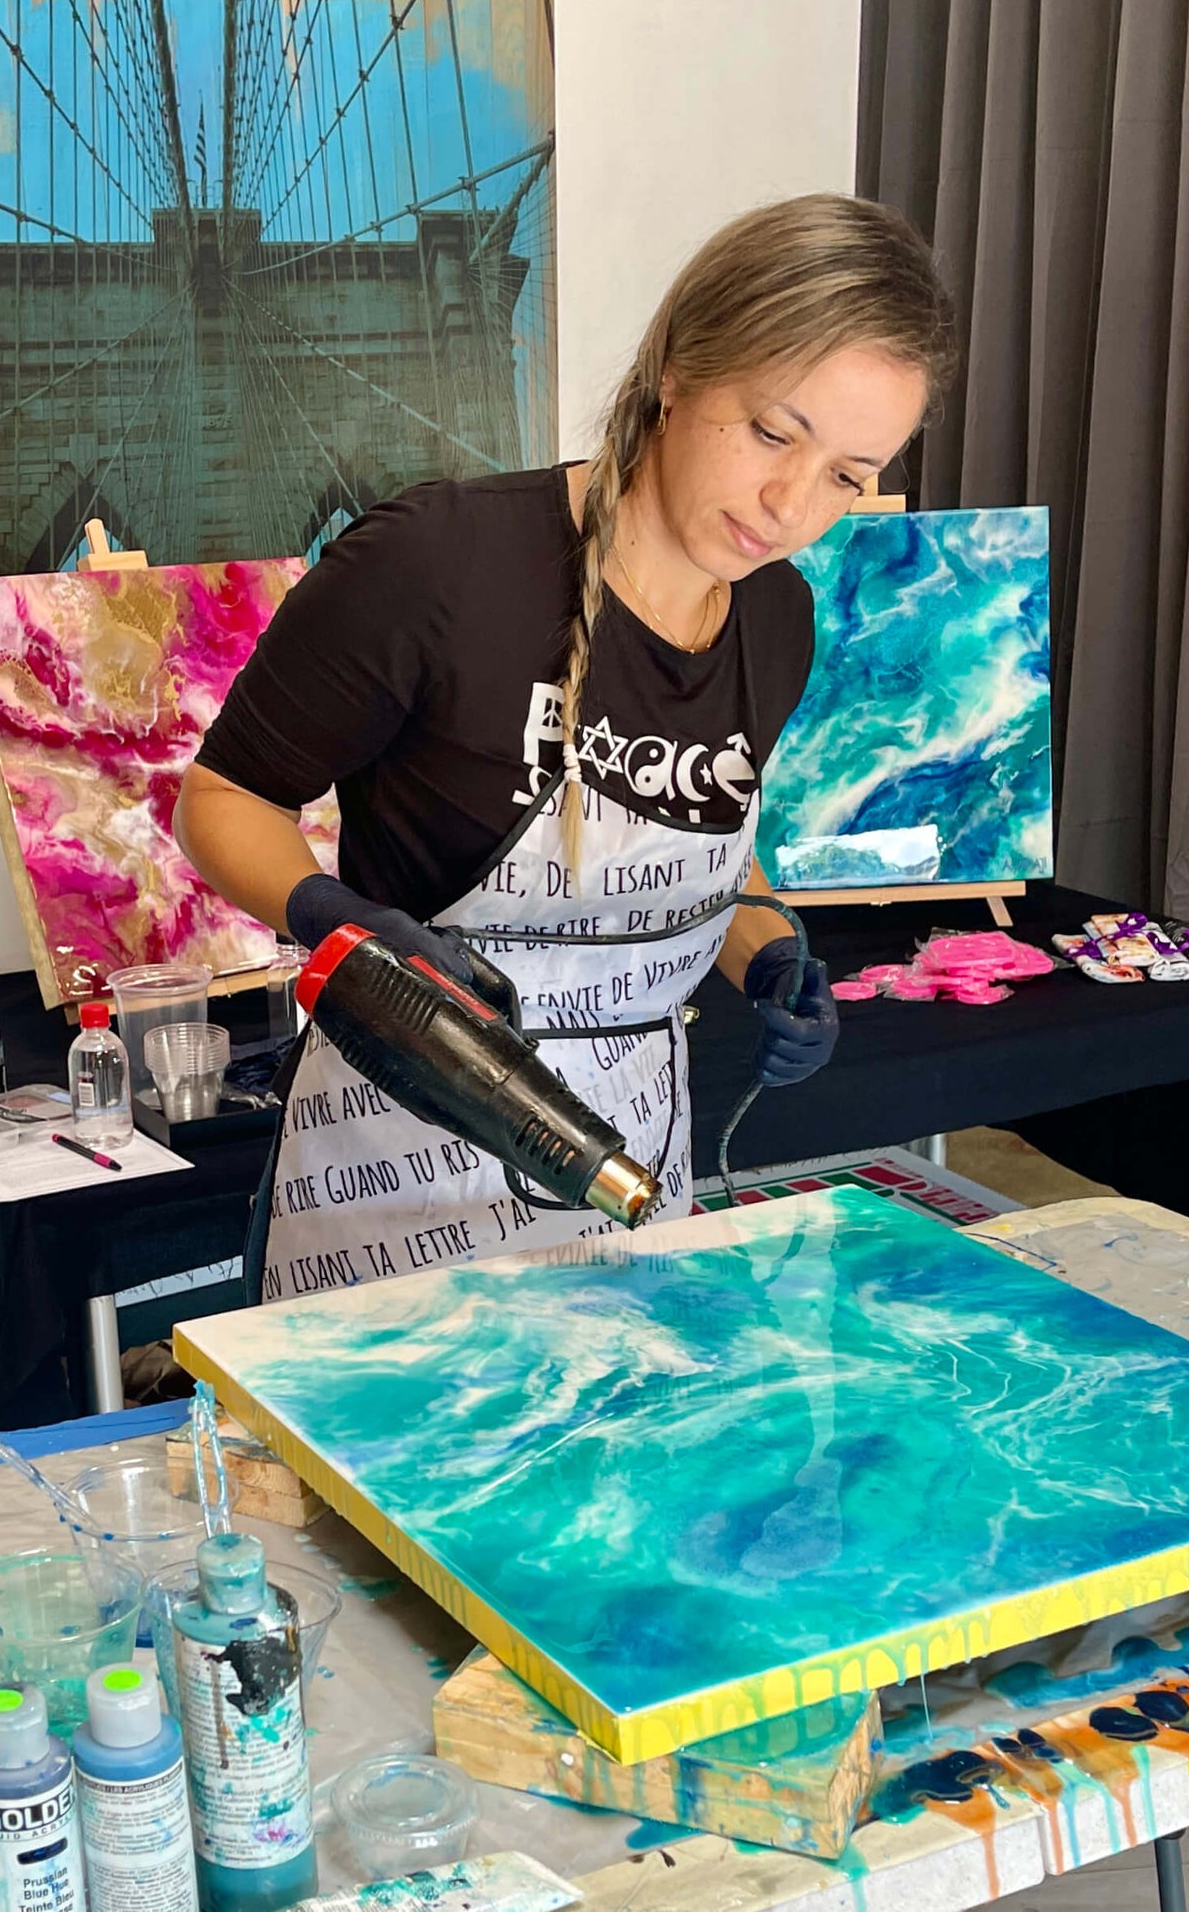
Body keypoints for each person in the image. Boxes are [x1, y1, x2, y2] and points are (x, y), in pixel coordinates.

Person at [175, 193, 955, 1303]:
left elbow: (701, 847)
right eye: (773, 432)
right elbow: (222, 798)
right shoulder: (439, 564)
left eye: (844, 474)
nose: (790, 504)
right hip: (392, 1182)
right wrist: (329, 915)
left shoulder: (776, 617)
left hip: (630, 1173)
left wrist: (767, 952)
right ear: (679, 370)